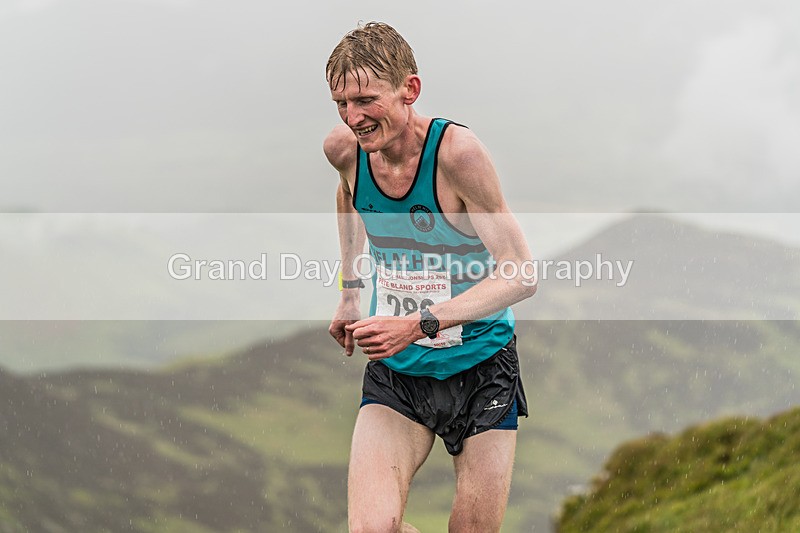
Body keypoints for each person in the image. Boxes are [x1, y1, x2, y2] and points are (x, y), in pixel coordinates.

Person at [323, 22, 537, 533]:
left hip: (482, 366)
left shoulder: (457, 156)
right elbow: (349, 196)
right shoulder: (345, 151)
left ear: (410, 89)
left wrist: (419, 323)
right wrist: (350, 293)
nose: (353, 118)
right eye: (341, 104)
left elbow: (521, 273)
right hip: (398, 372)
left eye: (366, 100)